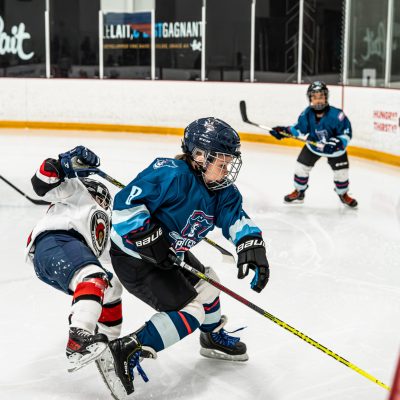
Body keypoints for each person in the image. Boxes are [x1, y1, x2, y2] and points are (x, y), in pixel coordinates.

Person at [96, 117, 270, 399]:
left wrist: (251, 243)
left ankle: (211, 337)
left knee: (209, 281)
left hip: (169, 253)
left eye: (229, 164)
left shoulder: (222, 191)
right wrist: (147, 236)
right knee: (190, 312)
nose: (226, 171)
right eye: (221, 163)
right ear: (200, 156)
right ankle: (125, 350)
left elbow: (235, 218)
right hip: (134, 257)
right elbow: (125, 204)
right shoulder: (171, 174)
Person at [25, 146, 123, 372]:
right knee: (94, 275)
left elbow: (121, 254)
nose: (105, 201)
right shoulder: (77, 191)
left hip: (63, 254)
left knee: (112, 288)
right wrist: (62, 164)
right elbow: (42, 182)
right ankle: (79, 338)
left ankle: (107, 343)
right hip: (55, 241)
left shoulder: (105, 225)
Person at [269, 81, 358, 208]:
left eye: (321, 96)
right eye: (315, 97)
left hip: (335, 150)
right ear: (310, 99)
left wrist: (336, 143)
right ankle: (299, 192)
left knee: (342, 173)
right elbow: (299, 129)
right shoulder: (306, 114)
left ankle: (343, 194)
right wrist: (283, 131)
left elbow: (346, 134)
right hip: (314, 146)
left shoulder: (337, 115)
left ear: (326, 97)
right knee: (300, 168)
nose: (318, 100)